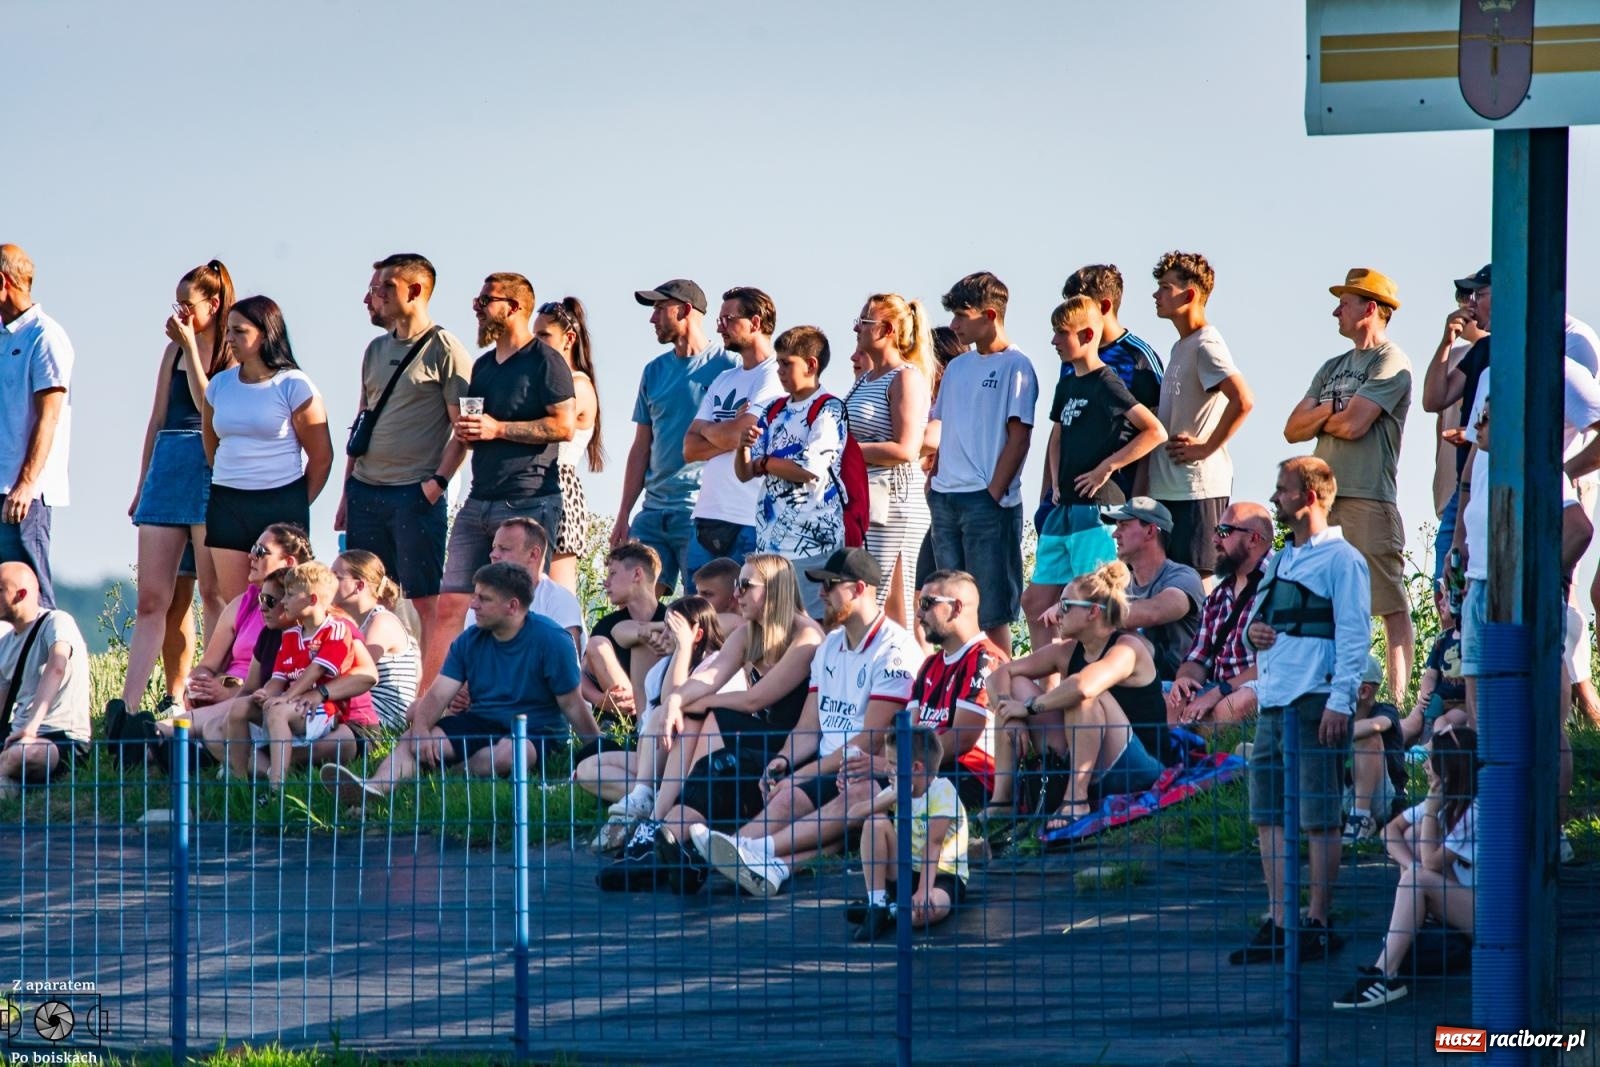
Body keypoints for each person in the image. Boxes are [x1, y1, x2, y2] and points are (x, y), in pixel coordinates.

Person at [697, 548, 921, 899]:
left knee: (856, 791)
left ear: (859, 588)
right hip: (830, 768)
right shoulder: (830, 644)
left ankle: (757, 851)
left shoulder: (896, 650)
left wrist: (802, 774)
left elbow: (868, 741)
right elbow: (807, 728)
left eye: (830, 585)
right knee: (785, 799)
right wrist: (784, 762)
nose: (820, 594)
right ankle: (735, 853)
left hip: (867, 771)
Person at [1230, 456, 1368, 965]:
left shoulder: (1343, 560)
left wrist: (1341, 699)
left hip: (1315, 701)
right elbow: (1261, 623)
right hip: (1274, 701)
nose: (1276, 497)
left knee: (1318, 814)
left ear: (1309, 496)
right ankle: (1280, 919)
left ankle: (1317, 920)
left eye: (1283, 490)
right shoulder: (1282, 561)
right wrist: (1253, 634)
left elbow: (1355, 634)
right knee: (1267, 812)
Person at [619, 553, 823, 892]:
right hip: (760, 740)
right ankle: (660, 825)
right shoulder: (749, 633)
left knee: (706, 712)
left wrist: (688, 702)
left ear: (774, 590)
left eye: (745, 586)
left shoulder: (806, 636)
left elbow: (755, 700)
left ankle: (668, 830)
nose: (736, 594)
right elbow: (710, 676)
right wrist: (675, 702)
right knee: (694, 712)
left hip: (793, 750)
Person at [322, 563, 600, 809]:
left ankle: (444, 773)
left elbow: (572, 705)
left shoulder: (551, 640)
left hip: (535, 731)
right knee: (413, 740)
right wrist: (420, 731)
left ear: (512, 606)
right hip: (480, 722)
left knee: (509, 754)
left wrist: (599, 748)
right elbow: (439, 694)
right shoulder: (469, 640)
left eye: (484, 599)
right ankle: (372, 789)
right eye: (475, 595)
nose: (473, 604)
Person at [337, 253, 474, 685]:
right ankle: (364, 690)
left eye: (382, 289)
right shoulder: (374, 350)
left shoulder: (446, 349)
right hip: (366, 490)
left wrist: (436, 484)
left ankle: (428, 696)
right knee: (358, 597)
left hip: (413, 494)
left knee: (425, 601)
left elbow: (464, 429)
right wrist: (346, 492)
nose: (370, 297)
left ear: (414, 291)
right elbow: (362, 420)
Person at [1283, 268, 1413, 700]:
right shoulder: (1332, 366)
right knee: (1320, 600)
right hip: (1321, 501)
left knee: (1388, 603)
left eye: (1345, 302)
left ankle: (1398, 702)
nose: (1336, 310)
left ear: (1370, 308)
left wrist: (1326, 412)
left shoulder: (1391, 361)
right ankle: (1327, 691)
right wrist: (1329, 411)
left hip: (1368, 498)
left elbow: (1355, 425)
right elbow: (1292, 428)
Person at [121, 261, 236, 723]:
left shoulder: (230, 348)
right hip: (168, 466)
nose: (181, 315)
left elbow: (211, 404)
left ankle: (209, 696)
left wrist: (191, 343)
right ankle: (127, 710)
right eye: (178, 305)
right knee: (156, 596)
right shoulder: (171, 351)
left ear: (213, 304)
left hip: (209, 462)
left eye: (189, 305)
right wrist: (142, 480)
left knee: (213, 592)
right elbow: (156, 417)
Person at [435, 273, 576, 643]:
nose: (476, 307)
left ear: (513, 307)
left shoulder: (546, 361)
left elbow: (564, 426)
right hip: (478, 499)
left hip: (528, 499)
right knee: (452, 603)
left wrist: (498, 429)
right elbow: (472, 430)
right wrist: (439, 478)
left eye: (485, 300)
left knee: (520, 606)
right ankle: (444, 697)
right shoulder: (482, 366)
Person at [1022, 296, 1165, 660]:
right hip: (1064, 508)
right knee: (1035, 600)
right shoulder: (1068, 383)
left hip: (1096, 510)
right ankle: (1051, 683)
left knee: (1092, 601)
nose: (1053, 341)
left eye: (1061, 333)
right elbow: (1057, 435)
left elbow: (1154, 431)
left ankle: (1097, 676)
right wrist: (1055, 482)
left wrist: (1108, 467)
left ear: (1086, 334)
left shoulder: (1107, 381)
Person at [989, 561, 1168, 831]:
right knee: (1015, 683)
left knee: (1083, 692)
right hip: (1087, 755)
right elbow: (998, 674)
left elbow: (1083, 687)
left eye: (1065, 605)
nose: (1057, 613)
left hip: (1140, 768)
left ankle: (1076, 800)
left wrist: (1028, 708)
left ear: (1093, 612)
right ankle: (1002, 803)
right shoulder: (1067, 650)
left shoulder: (1129, 648)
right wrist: (1009, 714)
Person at [109, 523, 314, 750]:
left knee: (233, 708)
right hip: (221, 694)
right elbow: (208, 664)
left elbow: (282, 678)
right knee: (207, 720)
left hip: (253, 697)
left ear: (288, 563)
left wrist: (229, 692)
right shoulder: (243, 604)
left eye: (260, 552)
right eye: (253, 548)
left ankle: (157, 732)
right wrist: (198, 686)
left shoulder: (300, 614)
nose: (250, 556)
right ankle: (149, 747)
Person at [928, 272, 1038, 652]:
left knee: (991, 614)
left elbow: (1019, 436)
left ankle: (1000, 699)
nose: (954, 325)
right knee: (946, 609)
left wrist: (992, 493)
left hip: (987, 503)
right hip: (945, 499)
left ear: (989, 314)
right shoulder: (957, 367)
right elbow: (946, 424)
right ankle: (956, 692)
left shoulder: (1017, 366)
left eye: (961, 315)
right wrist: (936, 478)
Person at [1333, 725, 1477, 1009]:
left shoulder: (1475, 809)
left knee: (1419, 852)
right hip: (1462, 897)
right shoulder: (1449, 797)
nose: (1424, 764)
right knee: (1411, 836)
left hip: (1492, 920)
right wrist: (1412, 868)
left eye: (1430, 758)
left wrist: (1416, 875)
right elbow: (1389, 831)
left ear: (1447, 770)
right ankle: (1416, 928)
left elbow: (1433, 862)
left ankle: (1385, 975)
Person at [203, 295, 333, 604]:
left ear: (265, 334)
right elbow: (212, 448)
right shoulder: (219, 385)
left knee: (284, 600)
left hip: (281, 502)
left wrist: (296, 502)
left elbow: (322, 456)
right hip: (228, 502)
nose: (230, 339)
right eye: (229, 331)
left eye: (240, 331)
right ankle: (243, 655)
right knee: (238, 603)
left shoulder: (294, 385)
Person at [612, 279, 737, 596]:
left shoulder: (729, 368)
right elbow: (641, 447)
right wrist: (624, 514)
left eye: (658, 308)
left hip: (699, 512)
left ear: (684, 310)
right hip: (652, 513)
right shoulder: (653, 371)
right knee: (633, 601)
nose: (652, 319)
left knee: (701, 607)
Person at [573, 595, 730, 841]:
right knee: (587, 769)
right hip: (658, 756)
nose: (664, 635)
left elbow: (671, 702)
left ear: (696, 635)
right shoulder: (661, 668)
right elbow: (649, 724)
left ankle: (646, 798)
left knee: (660, 711)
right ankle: (649, 798)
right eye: (664, 627)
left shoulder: (716, 663)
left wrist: (683, 650)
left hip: (691, 759)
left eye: (672, 629)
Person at [225, 561, 380, 788]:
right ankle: (237, 782)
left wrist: (289, 697)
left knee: (278, 714)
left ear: (312, 599)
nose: (266, 607)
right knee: (239, 708)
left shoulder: (337, 628)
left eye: (282, 597)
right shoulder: (290, 636)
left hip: (325, 710)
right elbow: (279, 677)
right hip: (297, 704)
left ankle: (277, 785)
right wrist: (266, 693)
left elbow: (318, 669)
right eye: (262, 599)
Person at [1033, 264, 1166, 527]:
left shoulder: (1138, 357)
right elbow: (1062, 426)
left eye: (1080, 303)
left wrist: (1135, 507)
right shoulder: (1071, 358)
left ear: (1103, 307)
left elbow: (1152, 433)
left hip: (1109, 501)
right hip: (1066, 502)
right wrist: (1047, 496)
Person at [1148, 251, 1254, 576]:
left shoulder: (1207, 344)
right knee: (1168, 586)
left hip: (1196, 489)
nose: (1156, 294)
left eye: (1166, 287)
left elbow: (1243, 400)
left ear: (1190, 294)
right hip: (1169, 489)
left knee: (1197, 583)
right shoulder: (1181, 345)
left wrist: (1205, 448)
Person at [735, 326, 847, 619]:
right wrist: (743, 448)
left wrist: (765, 462)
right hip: (770, 544)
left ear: (811, 365)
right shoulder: (773, 409)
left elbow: (807, 469)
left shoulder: (829, 408)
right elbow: (746, 472)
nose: (780, 370)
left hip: (814, 542)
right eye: (778, 362)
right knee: (772, 625)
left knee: (813, 622)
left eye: (787, 363)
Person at [844, 292, 935, 629]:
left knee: (891, 608)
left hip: (894, 505)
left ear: (887, 330)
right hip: (865, 500)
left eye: (863, 323)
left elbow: (906, 448)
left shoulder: (905, 377)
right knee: (866, 596)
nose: (856, 329)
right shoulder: (865, 380)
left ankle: (904, 677)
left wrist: (846, 453)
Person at [682, 287, 785, 574]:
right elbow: (689, 448)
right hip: (705, 516)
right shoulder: (724, 378)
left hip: (748, 518)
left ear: (755, 323)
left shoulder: (775, 375)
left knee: (745, 613)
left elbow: (743, 432)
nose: (720, 327)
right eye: (719, 319)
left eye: (728, 319)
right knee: (698, 614)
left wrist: (712, 429)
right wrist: (729, 433)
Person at [0, 244, 73, 610]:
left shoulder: (45, 337)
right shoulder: (3, 335)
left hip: (22, 495)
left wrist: (26, 484)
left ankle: (51, 666)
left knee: (29, 595)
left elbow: (50, 417)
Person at [846, 725, 969, 942]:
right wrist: (890, 798)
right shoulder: (897, 789)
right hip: (904, 870)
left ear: (916, 768)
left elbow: (934, 843)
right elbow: (852, 816)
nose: (887, 769)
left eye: (892, 764)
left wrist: (923, 890)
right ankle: (876, 905)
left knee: (920, 915)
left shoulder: (942, 791)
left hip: (941, 875)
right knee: (874, 822)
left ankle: (892, 911)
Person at [1166, 502, 1275, 731]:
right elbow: (1198, 657)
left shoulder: (1281, 584)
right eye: (1216, 531)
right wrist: (1185, 680)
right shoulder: (1218, 595)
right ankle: (1183, 757)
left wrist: (1219, 692)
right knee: (1163, 697)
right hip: (1216, 687)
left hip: (1257, 687)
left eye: (1224, 531)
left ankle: (1203, 750)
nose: (1215, 540)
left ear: (1254, 539)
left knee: (1238, 703)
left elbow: (1273, 664)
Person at [907, 569, 1007, 808]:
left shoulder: (985, 658)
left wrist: (902, 764)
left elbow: (962, 739)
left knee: (874, 793)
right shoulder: (930, 664)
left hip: (972, 774)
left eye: (927, 603)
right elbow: (910, 731)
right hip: (928, 767)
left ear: (957, 608)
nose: (919, 613)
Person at [532, 296, 605, 593]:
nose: (535, 344)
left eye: (544, 336)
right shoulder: (542, 381)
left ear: (568, 339)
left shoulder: (578, 385)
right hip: (530, 482)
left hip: (559, 485)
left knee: (559, 592)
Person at [1419, 273, 1487, 581]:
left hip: (1492, 487)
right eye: (1463, 297)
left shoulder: (1515, 350)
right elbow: (1433, 399)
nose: (1468, 304)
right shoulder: (1477, 352)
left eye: (1477, 295)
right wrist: (1446, 340)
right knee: (1444, 589)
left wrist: (1474, 436)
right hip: (1461, 487)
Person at [0, 562, 90, 794]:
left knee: (25, 754)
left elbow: (56, 666)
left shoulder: (56, 622)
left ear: (20, 594)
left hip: (60, 737)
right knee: (17, 753)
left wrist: (31, 727)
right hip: (15, 737)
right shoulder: (5, 644)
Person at [1098, 497, 1206, 686]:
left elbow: (1155, 611)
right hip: (1135, 685)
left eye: (1123, 525)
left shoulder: (1184, 576)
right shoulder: (1120, 585)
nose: (1115, 534)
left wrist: (1088, 613)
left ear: (1150, 531)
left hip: (1177, 687)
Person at [332, 550, 421, 733]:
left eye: (336, 577)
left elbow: (355, 669)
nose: (328, 583)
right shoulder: (357, 623)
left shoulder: (381, 621)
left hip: (383, 718)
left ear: (359, 585)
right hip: (362, 710)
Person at [583, 541, 667, 719]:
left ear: (637, 574)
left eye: (613, 573)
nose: (606, 582)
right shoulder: (606, 625)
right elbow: (581, 676)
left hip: (659, 715)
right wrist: (599, 700)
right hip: (615, 721)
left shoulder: (670, 618)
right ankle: (632, 723)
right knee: (597, 645)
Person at [487, 518, 585, 656]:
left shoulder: (559, 600)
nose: (493, 555)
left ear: (533, 555)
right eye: (494, 547)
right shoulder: (482, 602)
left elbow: (568, 667)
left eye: (504, 549)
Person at [1345, 655, 1408, 843]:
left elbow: (1378, 725)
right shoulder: (1337, 714)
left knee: (1369, 737)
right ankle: (1283, 823)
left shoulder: (1385, 711)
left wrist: (1333, 735)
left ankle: (1361, 819)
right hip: (1342, 791)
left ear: (1364, 691)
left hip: (1381, 798)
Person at [1398, 581, 1465, 749]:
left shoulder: (1472, 639)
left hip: (1462, 703)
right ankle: (1392, 745)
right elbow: (1431, 674)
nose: (1440, 602)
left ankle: (1428, 750)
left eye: (1447, 598)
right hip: (1439, 699)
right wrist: (1425, 692)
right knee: (1414, 718)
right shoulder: (1442, 639)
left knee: (1443, 721)